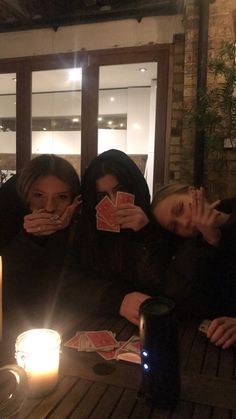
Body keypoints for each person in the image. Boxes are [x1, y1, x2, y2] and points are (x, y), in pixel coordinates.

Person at [64, 149, 174, 326]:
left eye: (120, 190)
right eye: (102, 196)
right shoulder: (83, 229)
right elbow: (69, 281)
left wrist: (145, 235)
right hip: (97, 321)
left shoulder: (160, 223)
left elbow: (165, 285)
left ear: (134, 187)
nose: (114, 203)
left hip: (148, 323)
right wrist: (116, 300)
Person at [0, 154, 81, 335]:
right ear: (25, 196)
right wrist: (32, 240)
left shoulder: (82, 227)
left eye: (61, 197)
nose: (50, 207)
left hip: (67, 328)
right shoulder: (7, 220)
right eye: (38, 195)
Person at [151, 183, 236, 348]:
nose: (184, 223)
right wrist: (211, 242)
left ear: (193, 192)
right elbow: (193, 306)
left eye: (180, 209)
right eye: (175, 227)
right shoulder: (194, 250)